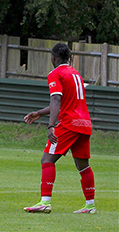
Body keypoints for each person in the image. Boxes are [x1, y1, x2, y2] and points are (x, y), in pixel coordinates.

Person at [23, 43, 96, 214]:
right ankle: (90, 205)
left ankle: (45, 202)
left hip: (69, 123)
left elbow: (56, 99)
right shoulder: (75, 74)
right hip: (84, 123)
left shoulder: (55, 73)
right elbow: (65, 101)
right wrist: (40, 113)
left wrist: (51, 126)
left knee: (47, 159)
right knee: (83, 165)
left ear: (53, 58)